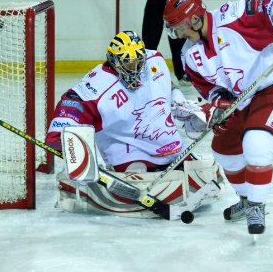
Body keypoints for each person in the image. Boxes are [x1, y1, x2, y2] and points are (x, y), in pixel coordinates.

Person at [163, 0, 273, 235]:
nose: (179, 34)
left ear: (195, 18)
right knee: (223, 149)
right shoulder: (189, 54)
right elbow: (209, 88)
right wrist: (220, 102)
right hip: (242, 100)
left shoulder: (232, 16)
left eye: (181, 27)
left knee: (256, 144)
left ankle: (257, 206)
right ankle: (247, 199)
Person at [45, 30, 222, 217]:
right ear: (114, 60)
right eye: (129, 62)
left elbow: (166, 83)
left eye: (139, 60)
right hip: (129, 150)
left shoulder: (154, 60)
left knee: (205, 175)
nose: (136, 67)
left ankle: (169, 174)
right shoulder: (98, 83)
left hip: (167, 145)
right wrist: (60, 138)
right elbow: (72, 103)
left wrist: (178, 99)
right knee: (138, 174)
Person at [142, 0, 194, 87]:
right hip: (154, 0)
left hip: (176, 1)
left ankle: (181, 74)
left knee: (178, 43)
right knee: (149, 43)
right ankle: (149, 74)